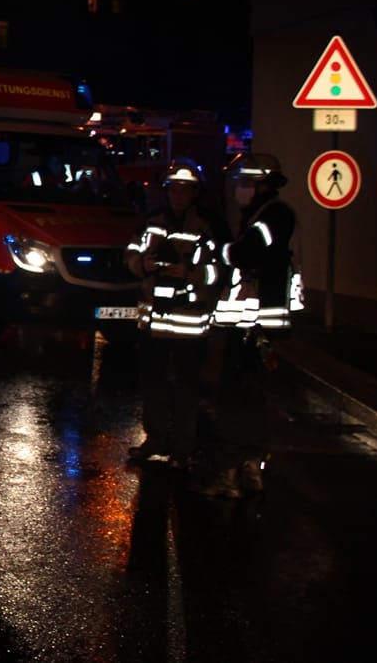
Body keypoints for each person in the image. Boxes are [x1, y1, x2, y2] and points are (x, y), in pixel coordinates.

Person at [197, 152, 297, 498]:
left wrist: (226, 251)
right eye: (238, 183)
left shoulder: (276, 216)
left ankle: (243, 468)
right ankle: (242, 468)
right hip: (245, 327)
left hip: (258, 329)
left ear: (264, 185)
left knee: (245, 397)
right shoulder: (254, 216)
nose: (240, 190)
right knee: (239, 394)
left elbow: (247, 254)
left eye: (246, 184)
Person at [124, 158, 228, 469]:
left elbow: (220, 269)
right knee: (152, 381)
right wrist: (142, 264)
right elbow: (130, 253)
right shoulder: (153, 220)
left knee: (187, 384)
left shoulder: (210, 225)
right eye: (173, 189)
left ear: (196, 192)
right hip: (155, 320)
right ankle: (155, 438)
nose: (178, 195)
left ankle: (185, 446)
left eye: (185, 190)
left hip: (188, 321)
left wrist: (191, 272)